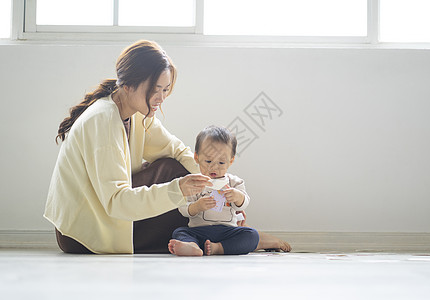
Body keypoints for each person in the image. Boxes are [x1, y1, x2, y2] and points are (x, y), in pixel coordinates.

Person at [44, 40, 291, 254]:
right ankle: (242, 239)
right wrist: (178, 189)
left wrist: (218, 188)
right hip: (86, 232)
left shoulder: (137, 113)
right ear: (129, 84)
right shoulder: (103, 121)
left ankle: (231, 231)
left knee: (183, 172)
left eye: (165, 89)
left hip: (104, 217)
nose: (162, 98)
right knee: (180, 185)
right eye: (155, 90)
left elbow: (178, 151)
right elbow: (116, 201)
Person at [169, 126, 259, 256]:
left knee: (252, 235)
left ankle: (218, 248)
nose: (214, 167)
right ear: (197, 158)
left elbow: (244, 203)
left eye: (221, 162)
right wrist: (197, 206)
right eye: (208, 161)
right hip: (199, 231)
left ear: (231, 161)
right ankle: (193, 246)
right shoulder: (195, 182)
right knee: (179, 232)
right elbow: (183, 209)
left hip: (227, 232)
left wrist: (237, 197)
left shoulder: (235, 182)